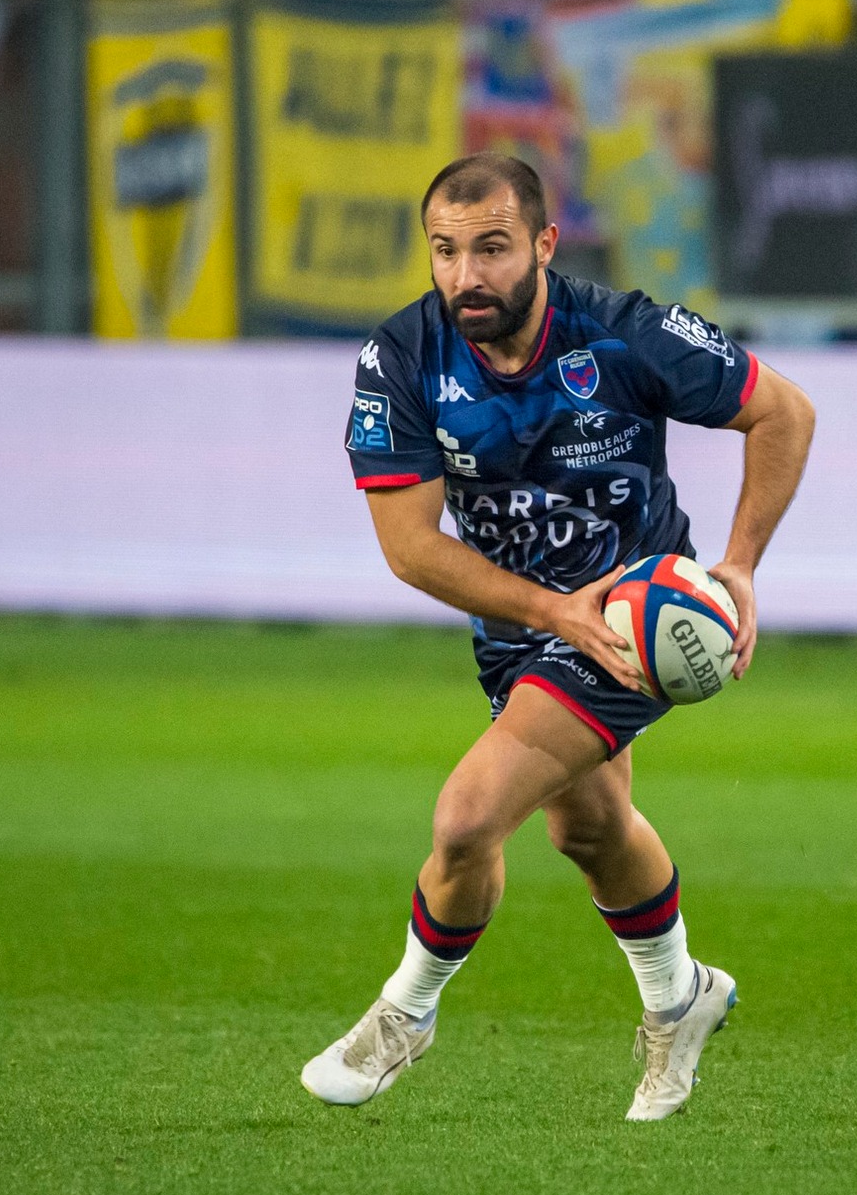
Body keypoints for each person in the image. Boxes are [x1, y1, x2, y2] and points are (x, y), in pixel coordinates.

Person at [302, 153, 816, 1121]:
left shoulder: (624, 335)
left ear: (542, 243)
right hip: (522, 627)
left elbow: (782, 412)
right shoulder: (402, 357)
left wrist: (738, 564)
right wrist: (546, 613)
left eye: (491, 248)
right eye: (445, 252)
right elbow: (409, 548)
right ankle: (679, 996)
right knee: (586, 826)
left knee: (464, 819)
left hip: (634, 620)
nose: (466, 277)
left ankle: (404, 1015)